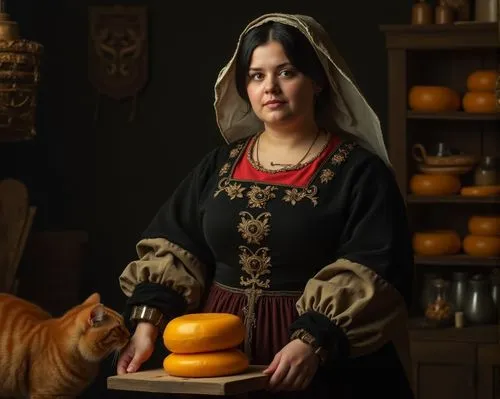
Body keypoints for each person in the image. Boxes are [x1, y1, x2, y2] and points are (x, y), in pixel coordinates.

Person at [116, 13, 415, 398]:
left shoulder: (359, 173)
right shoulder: (219, 165)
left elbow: (379, 266)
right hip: (220, 359)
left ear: (318, 79)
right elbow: (177, 246)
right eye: (257, 75)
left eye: (287, 72)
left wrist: (312, 341)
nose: (270, 87)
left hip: (318, 364)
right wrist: (146, 328)